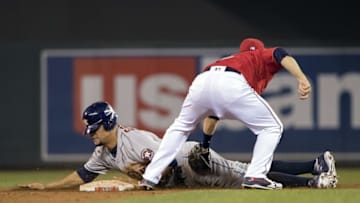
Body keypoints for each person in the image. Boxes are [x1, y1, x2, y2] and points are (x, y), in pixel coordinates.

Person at [19, 101, 337, 190]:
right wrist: (48, 188)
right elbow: (83, 175)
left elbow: (167, 162)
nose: (91, 134)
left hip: (190, 161)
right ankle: (315, 164)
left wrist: (143, 172)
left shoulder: (135, 140)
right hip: (188, 177)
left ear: (108, 123)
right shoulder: (102, 152)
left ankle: (314, 181)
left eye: (94, 129)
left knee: (249, 178)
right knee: (249, 172)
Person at [140, 38, 312, 190]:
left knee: (180, 128)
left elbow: (212, 114)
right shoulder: (258, 55)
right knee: (272, 127)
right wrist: (301, 78)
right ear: (258, 49)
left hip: (202, 80)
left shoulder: (231, 59)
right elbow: (281, 54)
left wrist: (205, 144)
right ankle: (256, 176)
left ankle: (150, 176)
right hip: (232, 82)